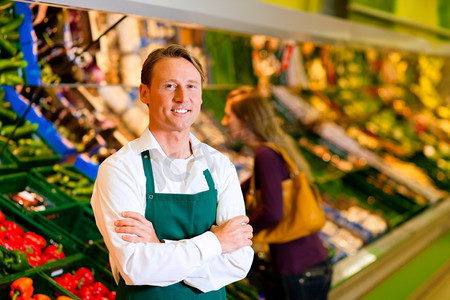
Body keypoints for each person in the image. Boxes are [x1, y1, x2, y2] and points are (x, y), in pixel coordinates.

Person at [91, 44, 254, 299]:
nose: (182, 97)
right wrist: (216, 243)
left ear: (200, 96)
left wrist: (158, 247)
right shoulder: (119, 169)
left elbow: (239, 262)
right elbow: (136, 266)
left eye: (191, 86)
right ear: (144, 93)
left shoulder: (219, 166)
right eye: (169, 86)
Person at [221, 87, 332, 300]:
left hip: (298, 268)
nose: (225, 122)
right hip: (311, 264)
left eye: (229, 116)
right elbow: (244, 188)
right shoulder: (274, 149)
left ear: (246, 119)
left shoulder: (265, 156)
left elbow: (272, 213)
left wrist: (232, 237)